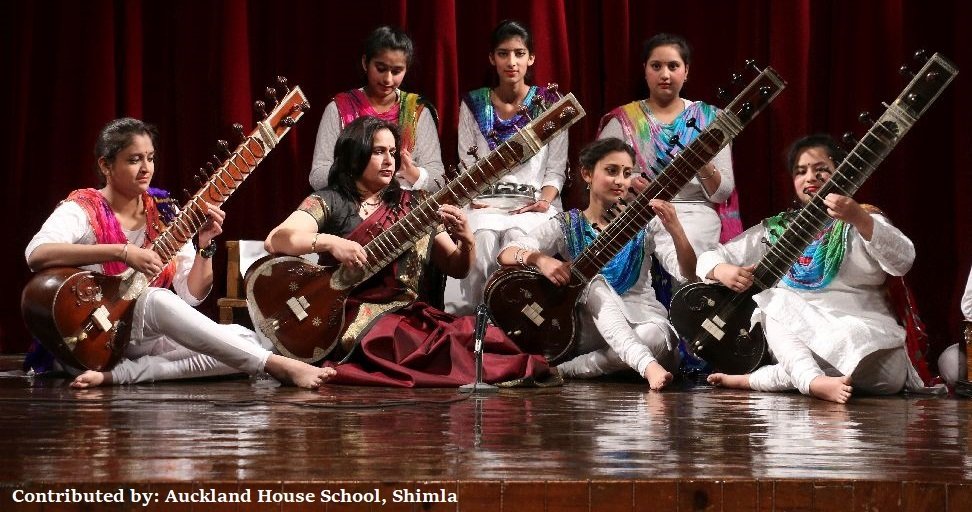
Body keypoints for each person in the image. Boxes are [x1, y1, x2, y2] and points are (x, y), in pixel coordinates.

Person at [25, 118, 333, 389]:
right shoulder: (83, 208)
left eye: (150, 158)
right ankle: (277, 366)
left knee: (247, 340)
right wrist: (123, 252)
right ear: (106, 165)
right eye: (134, 160)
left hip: (141, 336)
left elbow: (191, 295)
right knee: (157, 299)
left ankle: (121, 375)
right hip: (91, 337)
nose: (146, 168)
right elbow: (36, 254)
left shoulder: (164, 211)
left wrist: (205, 246)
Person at [265, 116, 553, 387]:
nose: (389, 160)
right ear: (354, 155)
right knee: (405, 339)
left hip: (410, 314)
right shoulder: (330, 201)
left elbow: (456, 267)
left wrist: (467, 240)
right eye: (378, 151)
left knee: (477, 337)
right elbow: (277, 240)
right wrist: (330, 243)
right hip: (353, 316)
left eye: (392, 152)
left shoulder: (416, 205)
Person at [702, 134, 928, 403]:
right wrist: (720, 269)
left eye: (821, 169)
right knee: (774, 301)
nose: (810, 177)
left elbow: (903, 260)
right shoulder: (775, 231)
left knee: (888, 376)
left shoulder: (863, 217)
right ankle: (812, 381)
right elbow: (709, 257)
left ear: (841, 174)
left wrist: (860, 219)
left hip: (866, 338)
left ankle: (760, 379)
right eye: (801, 172)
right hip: (802, 339)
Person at [497, 138, 697, 389]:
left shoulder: (646, 222)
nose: (620, 181)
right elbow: (506, 253)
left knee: (654, 337)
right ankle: (644, 364)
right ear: (587, 174)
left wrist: (676, 229)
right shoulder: (567, 224)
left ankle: (564, 370)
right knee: (594, 283)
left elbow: (688, 273)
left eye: (626, 173)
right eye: (611, 171)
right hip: (589, 330)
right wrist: (540, 259)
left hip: (642, 320)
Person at [444, 19, 568, 315]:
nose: (511, 62)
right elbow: (467, 165)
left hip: (533, 205)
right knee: (483, 240)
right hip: (484, 203)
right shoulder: (474, 104)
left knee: (516, 239)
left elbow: (555, 169)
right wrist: (477, 197)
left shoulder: (550, 104)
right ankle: (470, 322)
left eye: (519, 53)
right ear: (492, 58)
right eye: (503, 53)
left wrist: (543, 201)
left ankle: (518, 321)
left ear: (531, 58)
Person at [598, 33, 740, 255]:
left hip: (694, 213)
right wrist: (631, 183)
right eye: (656, 66)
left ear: (686, 71)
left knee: (687, 259)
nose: (665, 74)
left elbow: (722, 193)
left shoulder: (710, 119)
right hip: (637, 213)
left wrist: (700, 162)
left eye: (673, 66)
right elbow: (599, 176)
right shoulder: (624, 121)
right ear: (645, 70)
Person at [309, 26, 444, 193]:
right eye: (381, 69)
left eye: (396, 71)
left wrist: (413, 173)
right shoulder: (339, 109)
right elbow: (318, 175)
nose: (387, 79)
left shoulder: (417, 111)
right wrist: (361, 176)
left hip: (408, 207)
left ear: (406, 69)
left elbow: (438, 179)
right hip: (350, 205)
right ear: (365, 63)